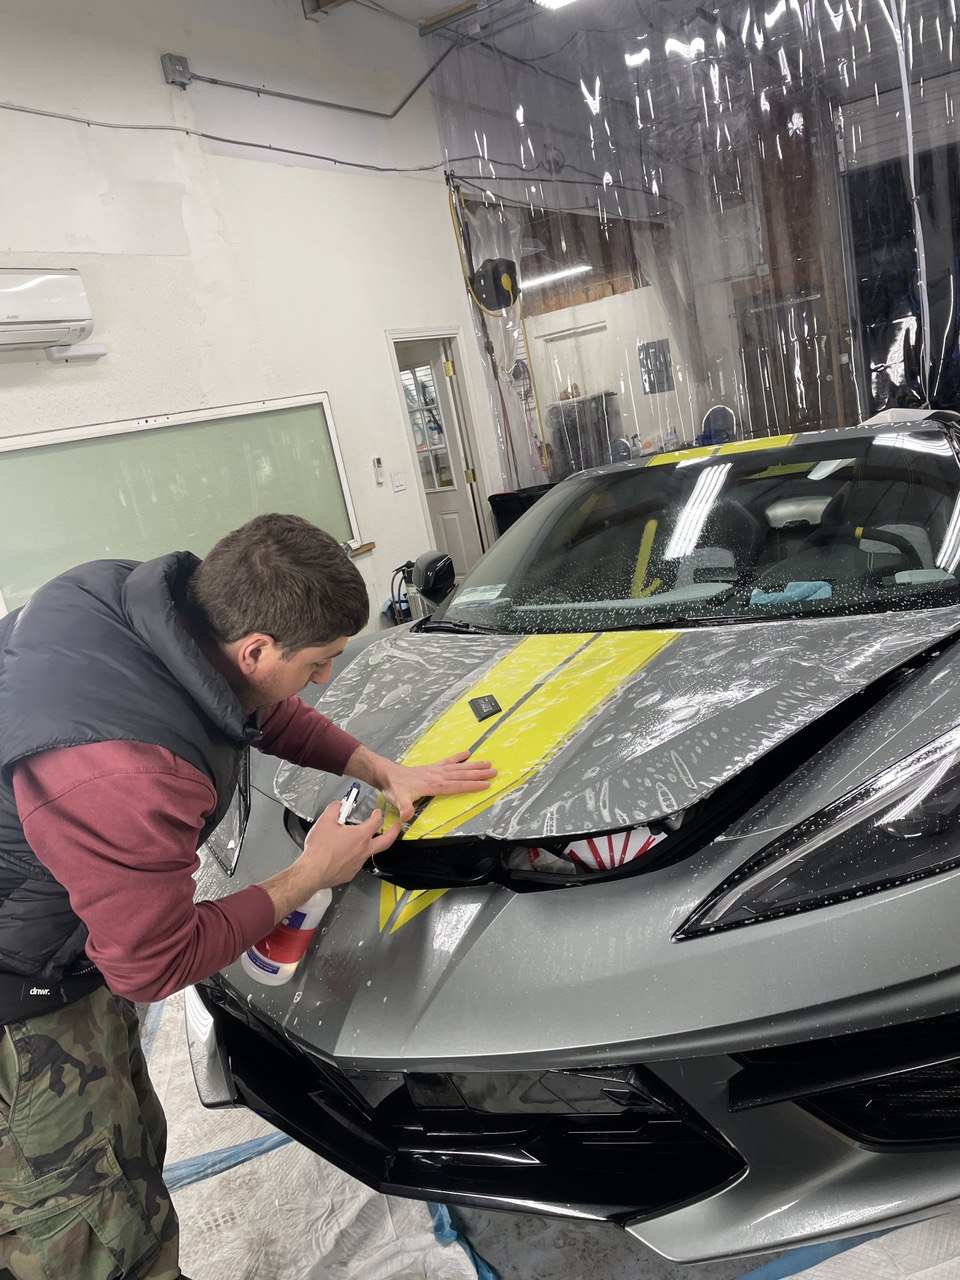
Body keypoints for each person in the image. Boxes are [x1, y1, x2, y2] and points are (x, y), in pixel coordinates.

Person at [0, 513, 496, 1280]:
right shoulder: (128, 773)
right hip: (19, 991)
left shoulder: (128, 601)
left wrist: (379, 768)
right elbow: (151, 966)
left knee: (126, 1152)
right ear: (257, 647)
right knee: (82, 1223)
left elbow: (255, 708)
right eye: (320, 662)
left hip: (55, 935)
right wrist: (310, 873)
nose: (327, 677)